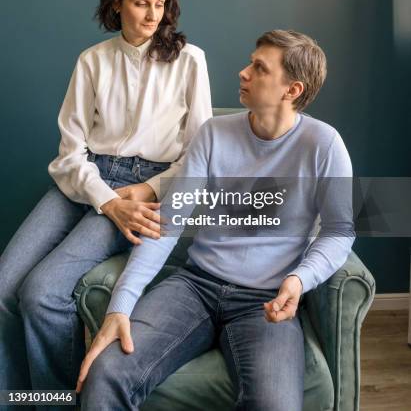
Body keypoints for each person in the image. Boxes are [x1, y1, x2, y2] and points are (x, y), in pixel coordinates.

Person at [77, 29, 355, 411]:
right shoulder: (214, 135)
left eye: (259, 68)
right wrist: (120, 306)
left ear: (292, 90)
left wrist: (299, 279)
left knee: (275, 405)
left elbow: (340, 231)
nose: (243, 72)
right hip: (195, 286)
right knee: (106, 373)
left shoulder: (324, 145)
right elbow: (167, 225)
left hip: (265, 301)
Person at [0, 0, 212, 398]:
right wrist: (107, 199)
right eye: (140, 3)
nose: (153, 14)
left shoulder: (191, 61)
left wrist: (146, 190)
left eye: (160, 3)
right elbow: (69, 151)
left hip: (146, 185)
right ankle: (24, 402)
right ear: (117, 4)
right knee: (4, 286)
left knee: (41, 293)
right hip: (86, 178)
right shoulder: (92, 61)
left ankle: (61, 403)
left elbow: (198, 155)